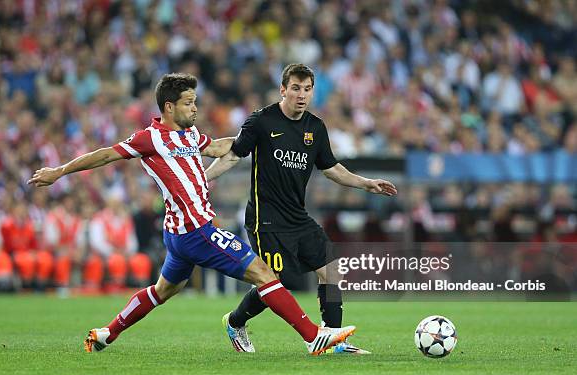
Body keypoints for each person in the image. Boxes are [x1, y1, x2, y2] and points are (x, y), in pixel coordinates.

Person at [27, 72, 356, 355]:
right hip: (195, 231)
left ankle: (106, 333)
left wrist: (262, 137)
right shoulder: (149, 138)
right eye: (188, 102)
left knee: (162, 291)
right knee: (264, 273)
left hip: (179, 234)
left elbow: (219, 147)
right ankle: (313, 337)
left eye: (195, 101)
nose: (195, 108)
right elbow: (104, 156)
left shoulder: (190, 135)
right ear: (169, 107)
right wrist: (59, 170)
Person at [206, 64, 397, 354]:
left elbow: (331, 168)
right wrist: (198, 179)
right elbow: (234, 156)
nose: (301, 95)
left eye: (307, 89)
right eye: (295, 88)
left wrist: (365, 183)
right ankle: (234, 322)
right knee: (273, 281)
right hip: (265, 218)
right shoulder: (262, 121)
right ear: (283, 89)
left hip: (297, 217)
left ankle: (333, 339)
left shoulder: (315, 128)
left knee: (331, 271)